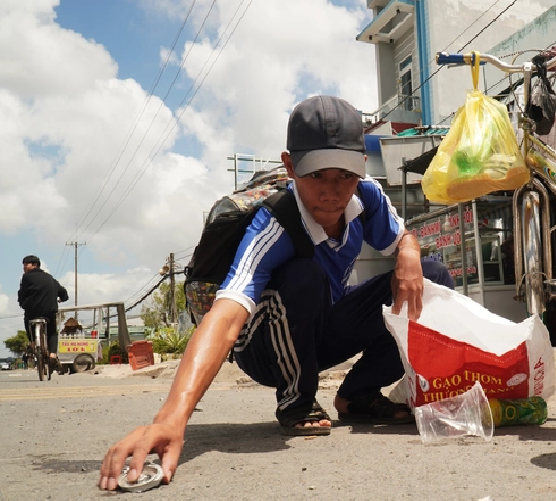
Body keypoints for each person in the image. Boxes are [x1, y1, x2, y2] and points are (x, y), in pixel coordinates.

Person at [99, 95, 454, 491]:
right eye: (316, 175)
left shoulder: (367, 197)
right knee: (306, 275)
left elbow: (403, 236)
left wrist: (407, 251)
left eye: (344, 176)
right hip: (264, 347)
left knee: (432, 275)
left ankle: (358, 393)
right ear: (290, 167)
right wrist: (170, 418)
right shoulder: (274, 224)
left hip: (319, 330)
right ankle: (296, 398)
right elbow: (227, 317)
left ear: (362, 169)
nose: (331, 192)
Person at [17, 255, 69, 365]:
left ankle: (32, 343)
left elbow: (22, 293)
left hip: (32, 311)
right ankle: (53, 354)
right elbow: (63, 293)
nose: (24, 267)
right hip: (49, 311)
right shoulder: (50, 278)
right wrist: (61, 299)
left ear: (35, 265)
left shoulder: (26, 277)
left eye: (26, 264)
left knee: (27, 321)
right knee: (52, 332)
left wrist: (22, 303)